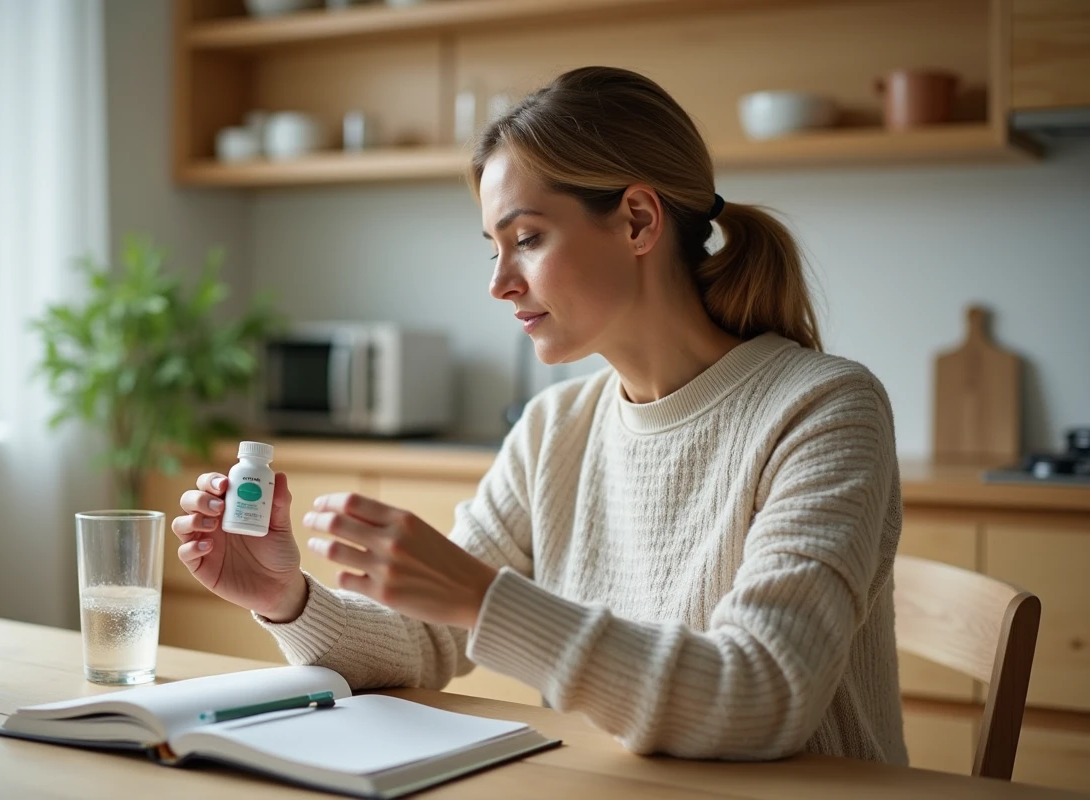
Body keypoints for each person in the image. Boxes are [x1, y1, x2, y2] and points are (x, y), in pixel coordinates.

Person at [172, 66, 906, 764]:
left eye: (525, 239)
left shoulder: (823, 409)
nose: (498, 283)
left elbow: (763, 696)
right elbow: (423, 642)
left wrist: (481, 596)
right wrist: (286, 598)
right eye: (492, 248)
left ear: (638, 220)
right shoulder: (555, 429)